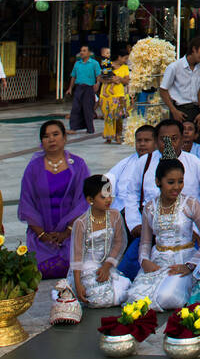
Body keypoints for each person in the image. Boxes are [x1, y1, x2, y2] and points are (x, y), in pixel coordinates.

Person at [124, 158, 200, 312]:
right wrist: (144, 260)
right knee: (135, 298)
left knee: (167, 297)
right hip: (157, 261)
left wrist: (190, 265)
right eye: (171, 182)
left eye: (180, 181)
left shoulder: (190, 204)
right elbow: (145, 242)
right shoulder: (150, 208)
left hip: (183, 261)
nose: (177, 187)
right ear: (158, 181)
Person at [17, 119, 90, 279]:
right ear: (41, 142)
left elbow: (83, 201)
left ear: (65, 138)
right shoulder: (34, 168)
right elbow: (27, 204)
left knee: (79, 268)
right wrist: (42, 235)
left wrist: (67, 231)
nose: (51, 139)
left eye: (55, 134)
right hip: (41, 236)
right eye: (46, 136)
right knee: (38, 271)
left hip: (72, 233)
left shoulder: (78, 165)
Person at [70, 174, 131, 307]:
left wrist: (107, 266)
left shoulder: (115, 216)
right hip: (87, 267)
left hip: (106, 264)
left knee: (124, 294)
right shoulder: (81, 223)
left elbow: (119, 243)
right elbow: (77, 255)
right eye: (103, 197)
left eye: (110, 195)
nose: (108, 200)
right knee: (98, 299)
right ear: (90, 199)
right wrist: (78, 284)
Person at [106, 124, 158, 280]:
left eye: (147, 140)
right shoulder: (126, 163)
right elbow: (106, 181)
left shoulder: (158, 162)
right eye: (139, 140)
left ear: (156, 142)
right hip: (122, 214)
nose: (142, 144)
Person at [151, 118, 200, 221]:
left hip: (190, 229)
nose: (169, 144)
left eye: (174, 139)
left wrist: (198, 227)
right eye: (164, 139)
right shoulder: (145, 163)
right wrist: (136, 224)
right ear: (156, 141)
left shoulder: (195, 163)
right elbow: (130, 194)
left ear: (182, 139)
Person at [159, 36, 200, 126]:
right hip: (179, 110)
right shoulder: (174, 67)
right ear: (194, 49)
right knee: (177, 137)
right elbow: (163, 90)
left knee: (198, 139)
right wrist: (174, 111)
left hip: (195, 110)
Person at [64, 44, 102, 135]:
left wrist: (97, 84)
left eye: (84, 50)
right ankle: (73, 128)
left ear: (89, 53)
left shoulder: (94, 63)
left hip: (89, 88)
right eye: (81, 50)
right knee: (76, 108)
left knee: (88, 109)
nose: (82, 52)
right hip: (79, 88)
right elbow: (73, 76)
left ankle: (90, 129)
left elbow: (98, 76)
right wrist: (70, 88)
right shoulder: (77, 63)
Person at [98, 68, 128, 144]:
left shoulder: (125, 67)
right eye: (124, 58)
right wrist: (110, 80)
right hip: (105, 96)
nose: (125, 60)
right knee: (108, 117)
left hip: (118, 94)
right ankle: (109, 137)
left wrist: (119, 79)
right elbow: (99, 78)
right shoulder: (107, 65)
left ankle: (118, 136)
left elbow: (126, 81)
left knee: (118, 117)